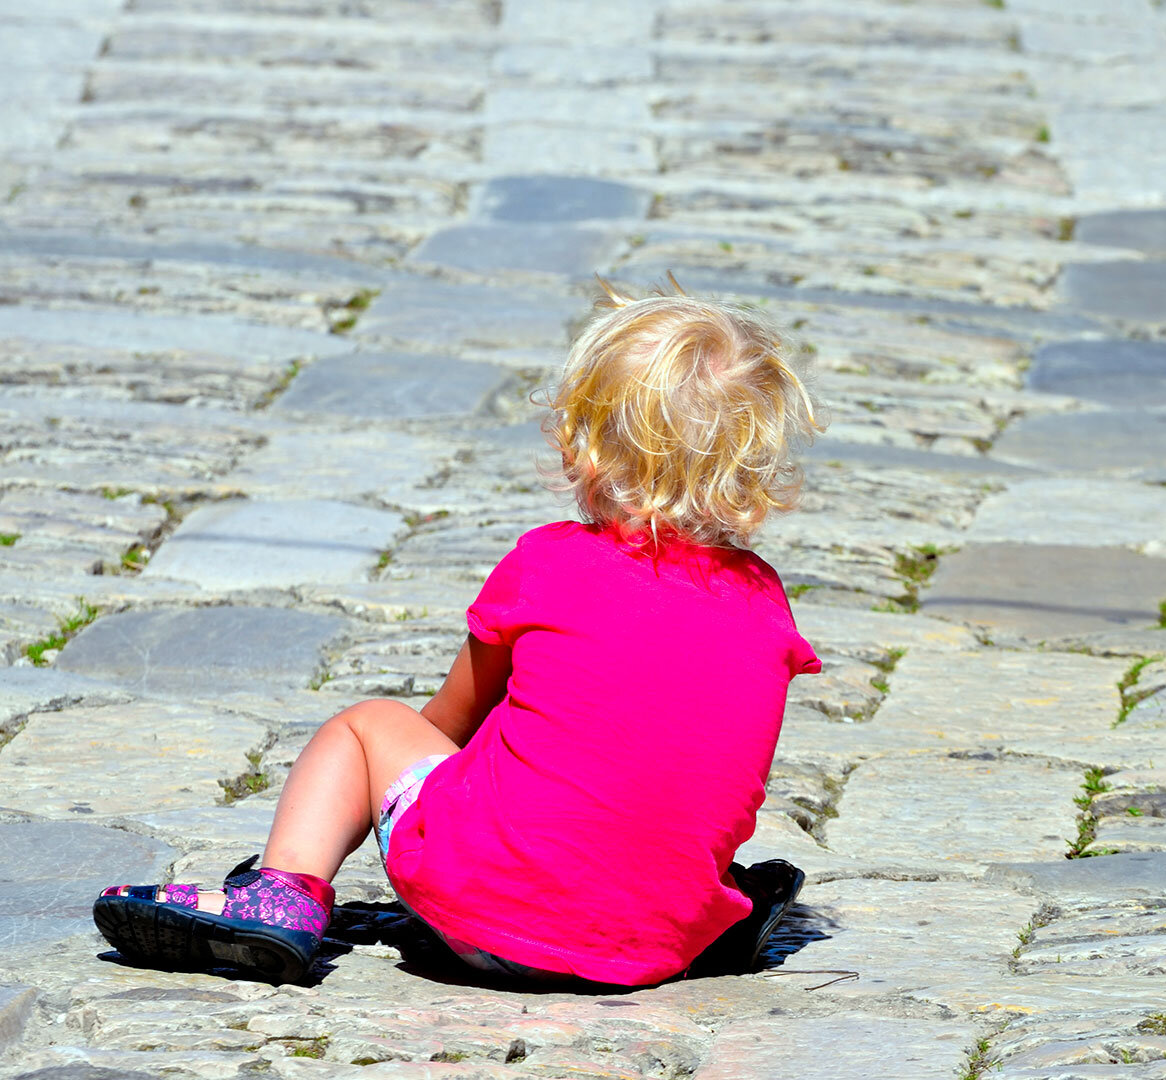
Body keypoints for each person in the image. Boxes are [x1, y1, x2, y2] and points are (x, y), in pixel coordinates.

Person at [94, 281, 825, 985]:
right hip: (653, 943)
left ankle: (283, 892)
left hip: (478, 920)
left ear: (585, 448)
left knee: (367, 728)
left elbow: (448, 722)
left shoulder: (552, 563)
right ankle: (714, 911)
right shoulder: (763, 601)